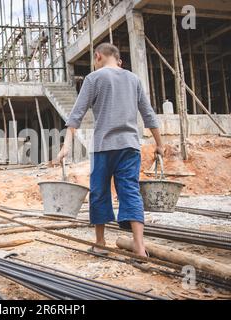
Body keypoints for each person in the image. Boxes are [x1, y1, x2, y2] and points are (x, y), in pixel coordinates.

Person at [57, 43, 164, 257]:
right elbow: (149, 115)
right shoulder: (133, 79)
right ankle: (140, 247)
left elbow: (76, 115)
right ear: (119, 61)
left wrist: (66, 146)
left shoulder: (93, 79)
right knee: (131, 192)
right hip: (130, 147)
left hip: (103, 148)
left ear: (98, 57)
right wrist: (159, 144)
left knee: (99, 192)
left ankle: (100, 242)